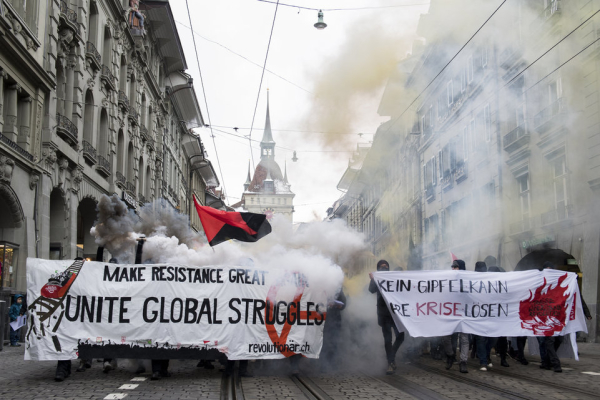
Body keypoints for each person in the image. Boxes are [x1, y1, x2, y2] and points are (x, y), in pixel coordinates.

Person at [369, 259, 405, 375]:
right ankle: (390, 363)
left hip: (396, 313)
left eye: (386, 266)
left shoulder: (393, 278)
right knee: (388, 339)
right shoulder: (377, 278)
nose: (384, 268)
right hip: (384, 313)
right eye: (381, 266)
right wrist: (373, 279)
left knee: (401, 336)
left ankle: (391, 355)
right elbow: (371, 290)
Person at [441, 260, 469, 373]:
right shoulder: (448, 280)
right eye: (452, 267)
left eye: (455, 267)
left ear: (461, 268)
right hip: (450, 313)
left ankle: (463, 362)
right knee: (445, 337)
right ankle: (450, 355)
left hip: (463, 313)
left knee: (464, 339)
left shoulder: (468, 280)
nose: (453, 269)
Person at [537, 261, 564, 372]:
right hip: (542, 317)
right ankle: (551, 362)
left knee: (558, 339)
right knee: (545, 341)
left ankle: (547, 361)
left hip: (557, 316)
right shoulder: (538, 282)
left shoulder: (558, 283)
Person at [473, 261, 496, 371]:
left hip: (490, 315)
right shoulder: (472, 281)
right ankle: (483, 361)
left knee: (493, 338)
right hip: (478, 315)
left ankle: (486, 355)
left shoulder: (491, 280)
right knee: (481, 339)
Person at [488, 266, 510, 368]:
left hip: (501, 316)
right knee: (490, 339)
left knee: (502, 339)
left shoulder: (503, 285)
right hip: (490, 316)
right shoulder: (486, 285)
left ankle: (503, 358)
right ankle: (486, 356)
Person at [321, 288, 346, 370]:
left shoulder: (338, 289)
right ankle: (321, 364)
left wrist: (338, 305)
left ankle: (331, 363)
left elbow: (344, 303)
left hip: (335, 319)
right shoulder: (318, 288)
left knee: (333, 341)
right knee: (322, 342)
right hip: (321, 320)